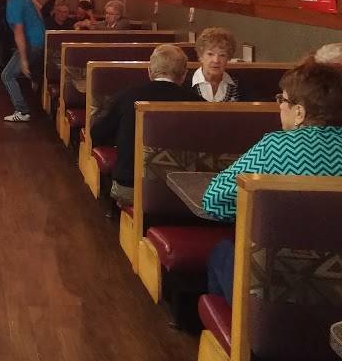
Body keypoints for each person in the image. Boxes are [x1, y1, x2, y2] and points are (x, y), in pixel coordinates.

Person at [203, 61, 342, 305]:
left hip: (277, 284)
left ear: (299, 113)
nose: (279, 106)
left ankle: (237, 326)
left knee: (221, 251)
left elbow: (214, 200)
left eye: (282, 99)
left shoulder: (276, 146)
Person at [90, 45, 201, 205]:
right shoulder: (198, 104)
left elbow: (98, 133)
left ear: (149, 71)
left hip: (131, 187)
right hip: (185, 193)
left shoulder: (126, 96)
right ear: (184, 75)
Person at [0, 0, 46, 122]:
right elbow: (38, 12)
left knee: (7, 75)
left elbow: (18, 32)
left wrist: (24, 60)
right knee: (21, 74)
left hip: (32, 44)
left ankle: (22, 111)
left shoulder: (14, 2)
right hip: (38, 42)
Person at [192, 27, 241, 102]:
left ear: (228, 58)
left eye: (222, 55)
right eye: (210, 54)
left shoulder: (238, 86)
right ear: (201, 56)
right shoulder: (184, 84)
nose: (216, 60)